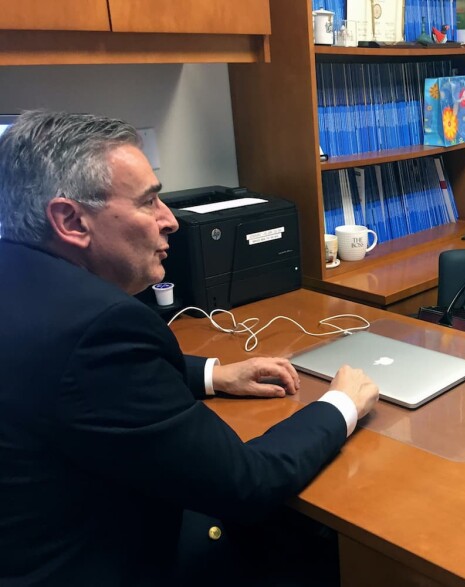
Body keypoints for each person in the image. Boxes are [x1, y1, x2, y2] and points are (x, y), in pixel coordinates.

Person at [0, 111, 379, 585]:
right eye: (149, 202)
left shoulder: (21, 281)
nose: (171, 220)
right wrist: (341, 404)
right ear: (70, 220)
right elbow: (247, 482)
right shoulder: (102, 328)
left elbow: (77, 379)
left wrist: (212, 375)